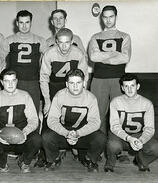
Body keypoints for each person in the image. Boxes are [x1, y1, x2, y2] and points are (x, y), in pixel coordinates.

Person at [43, 69, 106, 172]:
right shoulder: (59, 96)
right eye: (72, 83)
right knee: (47, 137)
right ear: (67, 84)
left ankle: (90, 159)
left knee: (101, 138)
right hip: (63, 132)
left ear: (84, 83)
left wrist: (78, 133)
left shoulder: (90, 98)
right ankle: (54, 159)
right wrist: (66, 133)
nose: (75, 86)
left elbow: (95, 122)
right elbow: (52, 120)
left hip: (83, 133)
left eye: (78, 83)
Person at [0, 69, 42, 173]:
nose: (10, 84)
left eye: (13, 80)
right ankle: (2, 163)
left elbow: (33, 120)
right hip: (2, 138)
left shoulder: (25, 96)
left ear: (17, 81)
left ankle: (24, 161)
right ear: (1, 82)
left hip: (22, 138)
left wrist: (25, 132)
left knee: (37, 139)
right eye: (6, 81)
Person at [88, 5, 132, 135]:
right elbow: (93, 57)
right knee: (98, 114)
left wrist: (103, 57)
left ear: (116, 17)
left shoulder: (125, 36)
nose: (108, 20)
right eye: (105, 17)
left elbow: (125, 58)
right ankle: (99, 149)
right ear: (101, 18)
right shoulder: (95, 37)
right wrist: (114, 53)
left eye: (111, 17)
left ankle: (115, 149)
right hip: (99, 79)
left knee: (118, 115)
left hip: (118, 79)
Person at [104, 73, 158, 172]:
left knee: (156, 148)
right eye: (126, 86)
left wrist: (141, 140)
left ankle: (141, 160)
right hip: (120, 136)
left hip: (138, 135)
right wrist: (129, 138)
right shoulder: (116, 102)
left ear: (138, 86)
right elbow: (114, 126)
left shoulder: (147, 103)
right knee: (113, 145)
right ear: (122, 88)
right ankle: (110, 163)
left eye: (132, 86)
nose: (129, 89)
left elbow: (149, 128)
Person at [0, 10, 47, 114]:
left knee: (33, 113)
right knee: (15, 113)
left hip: (33, 82)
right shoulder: (8, 40)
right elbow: (0, 60)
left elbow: (48, 60)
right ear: (17, 23)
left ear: (31, 23)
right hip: (14, 82)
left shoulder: (40, 40)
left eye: (27, 22)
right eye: (21, 22)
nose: (24, 26)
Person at [40, 28, 88, 117]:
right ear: (56, 41)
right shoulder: (49, 53)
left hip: (72, 86)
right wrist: (47, 101)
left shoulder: (78, 53)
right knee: (50, 116)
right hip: (53, 86)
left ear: (72, 41)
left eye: (67, 42)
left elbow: (84, 78)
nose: (64, 46)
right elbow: (44, 79)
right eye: (61, 42)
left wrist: (80, 98)